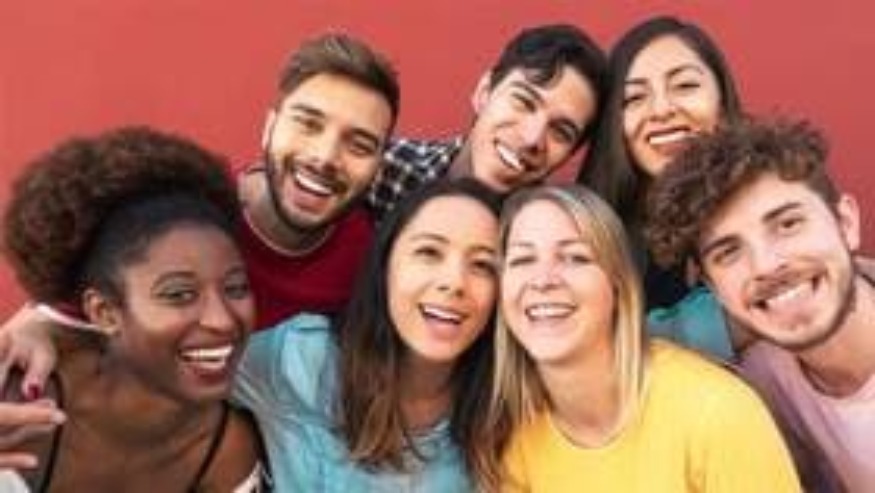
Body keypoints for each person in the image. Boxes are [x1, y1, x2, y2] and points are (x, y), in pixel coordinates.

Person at [478, 184, 800, 492]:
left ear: (618, 286)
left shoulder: (716, 412)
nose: (543, 280)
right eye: (522, 260)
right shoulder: (515, 437)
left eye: (575, 258)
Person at [0, 127, 266, 491]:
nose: (221, 320)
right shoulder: (18, 408)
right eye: (179, 294)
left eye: (235, 288)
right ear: (104, 312)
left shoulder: (224, 450)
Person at [232, 178, 501, 490]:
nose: (455, 282)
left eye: (483, 265)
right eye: (429, 252)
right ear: (386, 264)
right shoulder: (304, 360)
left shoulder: (502, 417)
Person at [646, 117, 870, 491]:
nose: (765, 265)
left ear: (845, 223)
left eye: (788, 224)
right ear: (713, 290)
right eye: (728, 252)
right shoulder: (761, 379)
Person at [576, 15, 745, 359]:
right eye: (634, 97)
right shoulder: (589, 234)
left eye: (685, 86)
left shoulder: (774, 198)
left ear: (722, 101)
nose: (662, 110)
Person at [239, 32, 399, 326]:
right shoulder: (195, 218)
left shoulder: (368, 265)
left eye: (359, 145)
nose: (325, 157)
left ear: (378, 167)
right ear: (269, 127)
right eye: (309, 124)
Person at [368, 23, 606, 221]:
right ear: (484, 93)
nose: (532, 138)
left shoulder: (545, 242)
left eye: (561, 132)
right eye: (524, 102)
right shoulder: (384, 168)